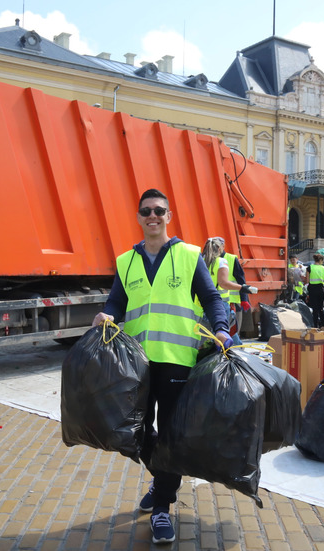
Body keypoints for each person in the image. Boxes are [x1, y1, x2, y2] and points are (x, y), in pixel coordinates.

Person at [93, 189, 231, 544]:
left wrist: (221, 329)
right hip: (136, 364)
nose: (152, 216)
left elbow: (212, 297)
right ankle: (162, 476)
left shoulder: (187, 256)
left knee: (170, 433)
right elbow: (116, 302)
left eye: (159, 210)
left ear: (169, 216)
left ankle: (161, 509)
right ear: (138, 217)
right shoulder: (126, 261)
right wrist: (107, 314)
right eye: (146, 211)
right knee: (136, 433)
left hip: (176, 361)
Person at [201, 237, 257, 344]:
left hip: (202, 304)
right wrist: (243, 289)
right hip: (220, 304)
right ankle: (237, 350)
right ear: (219, 249)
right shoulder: (222, 261)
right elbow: (223, 283)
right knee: (224, 331)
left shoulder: (200, 262)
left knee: (208, 333)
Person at [305, 253, 324, 327]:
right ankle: (323, 324)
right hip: (321, 289)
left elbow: (307, 280)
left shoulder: (310, 267)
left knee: (314, 308)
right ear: (321, 260)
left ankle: (315, 325)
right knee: (320, 307)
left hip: (312, 289)